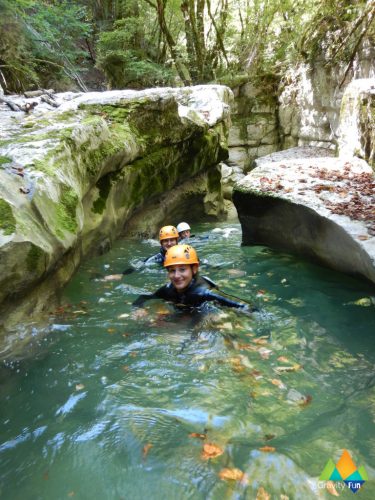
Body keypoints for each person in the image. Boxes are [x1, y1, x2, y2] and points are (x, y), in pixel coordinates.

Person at [133, 244, 255, 311]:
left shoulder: (205, 293)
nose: (176, 276)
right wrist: (140, 309)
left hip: (205, 311)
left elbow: (245, 306)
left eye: (182, 269)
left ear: (194, 269)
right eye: (172, 270)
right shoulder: (168, 289)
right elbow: (143, 298)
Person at [104, 225, 179, 280]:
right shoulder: (156, 259)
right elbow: (139, 266)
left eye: (172, 240)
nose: (169, 243)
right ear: (161, 243)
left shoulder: (185, 253)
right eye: (166, 241)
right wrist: (122, 274)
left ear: (177, 241)